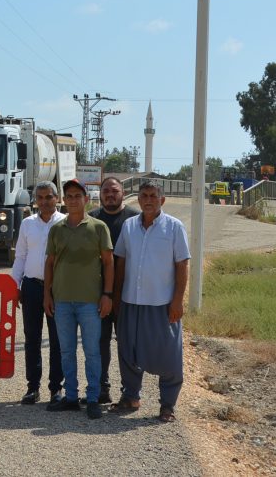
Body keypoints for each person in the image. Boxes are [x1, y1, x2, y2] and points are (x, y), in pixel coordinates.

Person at [111, 179, 190, 422]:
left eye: (153, 196)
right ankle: (131, 396)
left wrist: (177, 301)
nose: (148, 200)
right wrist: (116, 298)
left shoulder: (174, 227)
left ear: (162, 200)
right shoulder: (129, 226)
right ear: (138, 199)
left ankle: (167, 405)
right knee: (128, 351)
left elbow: (182, 265)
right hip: (131, 301)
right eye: (144, 195)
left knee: (168, 355)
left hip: (161, 304)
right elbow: (121, 263)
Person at [43, 178, 114, 420]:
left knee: (92, 351)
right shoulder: (56, 230)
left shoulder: (98, 227)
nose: (73, 200)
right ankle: (71, 396)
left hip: (90, 302)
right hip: (62, 301)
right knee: (66, 351)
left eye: (78, 196)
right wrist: (47, 295)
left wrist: (107, 295)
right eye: (69, 196)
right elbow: (50, 264)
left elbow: (108, 263)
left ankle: (93, 398)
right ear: (64, 200)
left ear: (86, 199)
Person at [10, 180, 65, 405]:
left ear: (57, 198)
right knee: (32, 338)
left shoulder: (65, 223)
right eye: (40, 198)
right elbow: (20, 256)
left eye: (48, 197)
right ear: (35, 200)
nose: (44, 202)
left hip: (58, 289)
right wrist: (15, 286)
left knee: (57, 339)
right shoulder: (27, 224)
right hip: (31, 287)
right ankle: (33, 387)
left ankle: (56, 388)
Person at [88, 176, 141, 404]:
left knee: (128, 345)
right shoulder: (91, 220)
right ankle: (102, 388)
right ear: (100, 194)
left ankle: (130, 392)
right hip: (96, 295)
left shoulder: (135, 220)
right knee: (99, 344)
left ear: (123, 193)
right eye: (106, 191)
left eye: (115, 191)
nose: (110, 195)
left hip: (127, 295)